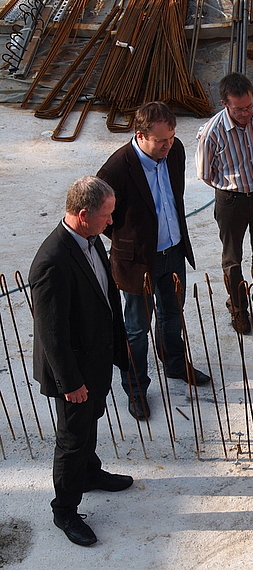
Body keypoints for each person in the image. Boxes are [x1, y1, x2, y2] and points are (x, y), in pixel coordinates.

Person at [29, 176, 133, 546]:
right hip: (73, 372)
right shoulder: (52, 262)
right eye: (106, 215)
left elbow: (104, 300)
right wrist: (71, 383)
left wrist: (118, 353)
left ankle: (90, 473)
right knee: (72, 439)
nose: (111, 222)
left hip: (96, 360)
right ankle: (65, 510)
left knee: (91, 423)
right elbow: (52, 333)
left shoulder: (90, 240)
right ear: (84, 213)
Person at [98, 101, 210, 421]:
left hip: (173, 253)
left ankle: (174, 365)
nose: (168, 145)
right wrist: (130, 246)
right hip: (138, 263)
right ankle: (135, 388)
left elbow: (172, 198)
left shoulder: (174, 153)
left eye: (172, 137)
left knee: (172, 315)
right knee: (135, 330)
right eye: (161, 140)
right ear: (140, 135)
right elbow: (103, 219)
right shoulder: (116, 169)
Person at [196, 72, 253, 333]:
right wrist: (233, 189)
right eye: (239, 109)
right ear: (225, 104)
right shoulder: (211, 132)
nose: (246, 114)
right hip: (231, 200)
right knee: (232, 259)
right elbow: (205, 174)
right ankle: (238, 308)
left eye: (249, 107)